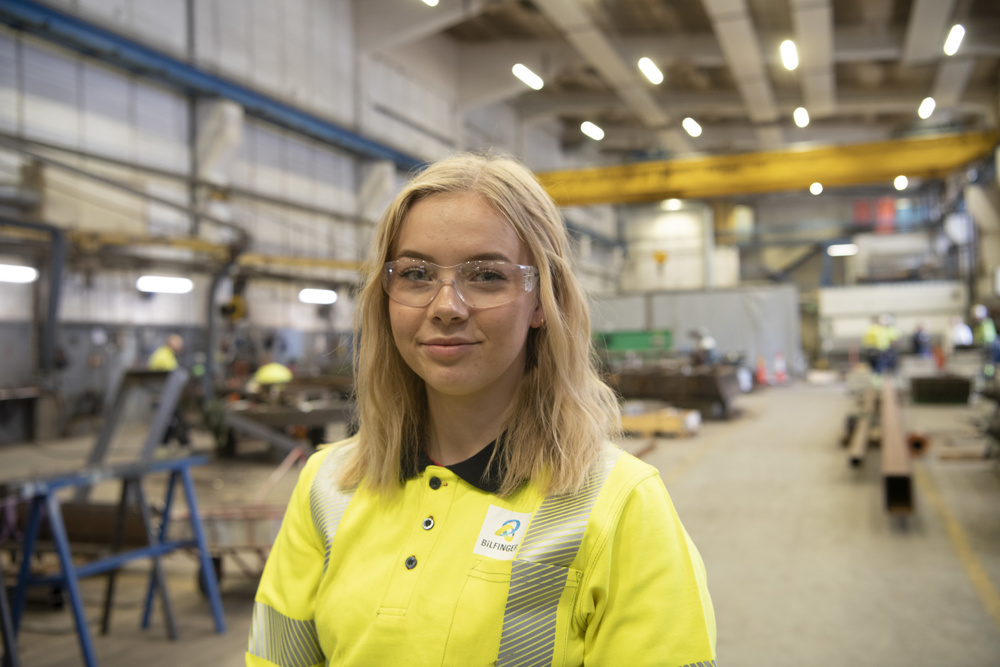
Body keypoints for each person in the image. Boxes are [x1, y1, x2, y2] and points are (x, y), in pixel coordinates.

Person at [247, 153, 716, 666]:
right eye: (417, 273)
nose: (446, 306)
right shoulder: (327, 486)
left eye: (487, 276)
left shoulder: (617, 506)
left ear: (543, 300)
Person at [148, 333, 190, 449]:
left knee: (171, 421)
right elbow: (174, 375)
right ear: (172, 344)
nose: (181, 348)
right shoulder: (164, 356)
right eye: (179, 345)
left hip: (164, 396)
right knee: (173, 422)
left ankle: (169, 445)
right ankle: (181, 445)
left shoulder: (164, 354)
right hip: (163, 396)